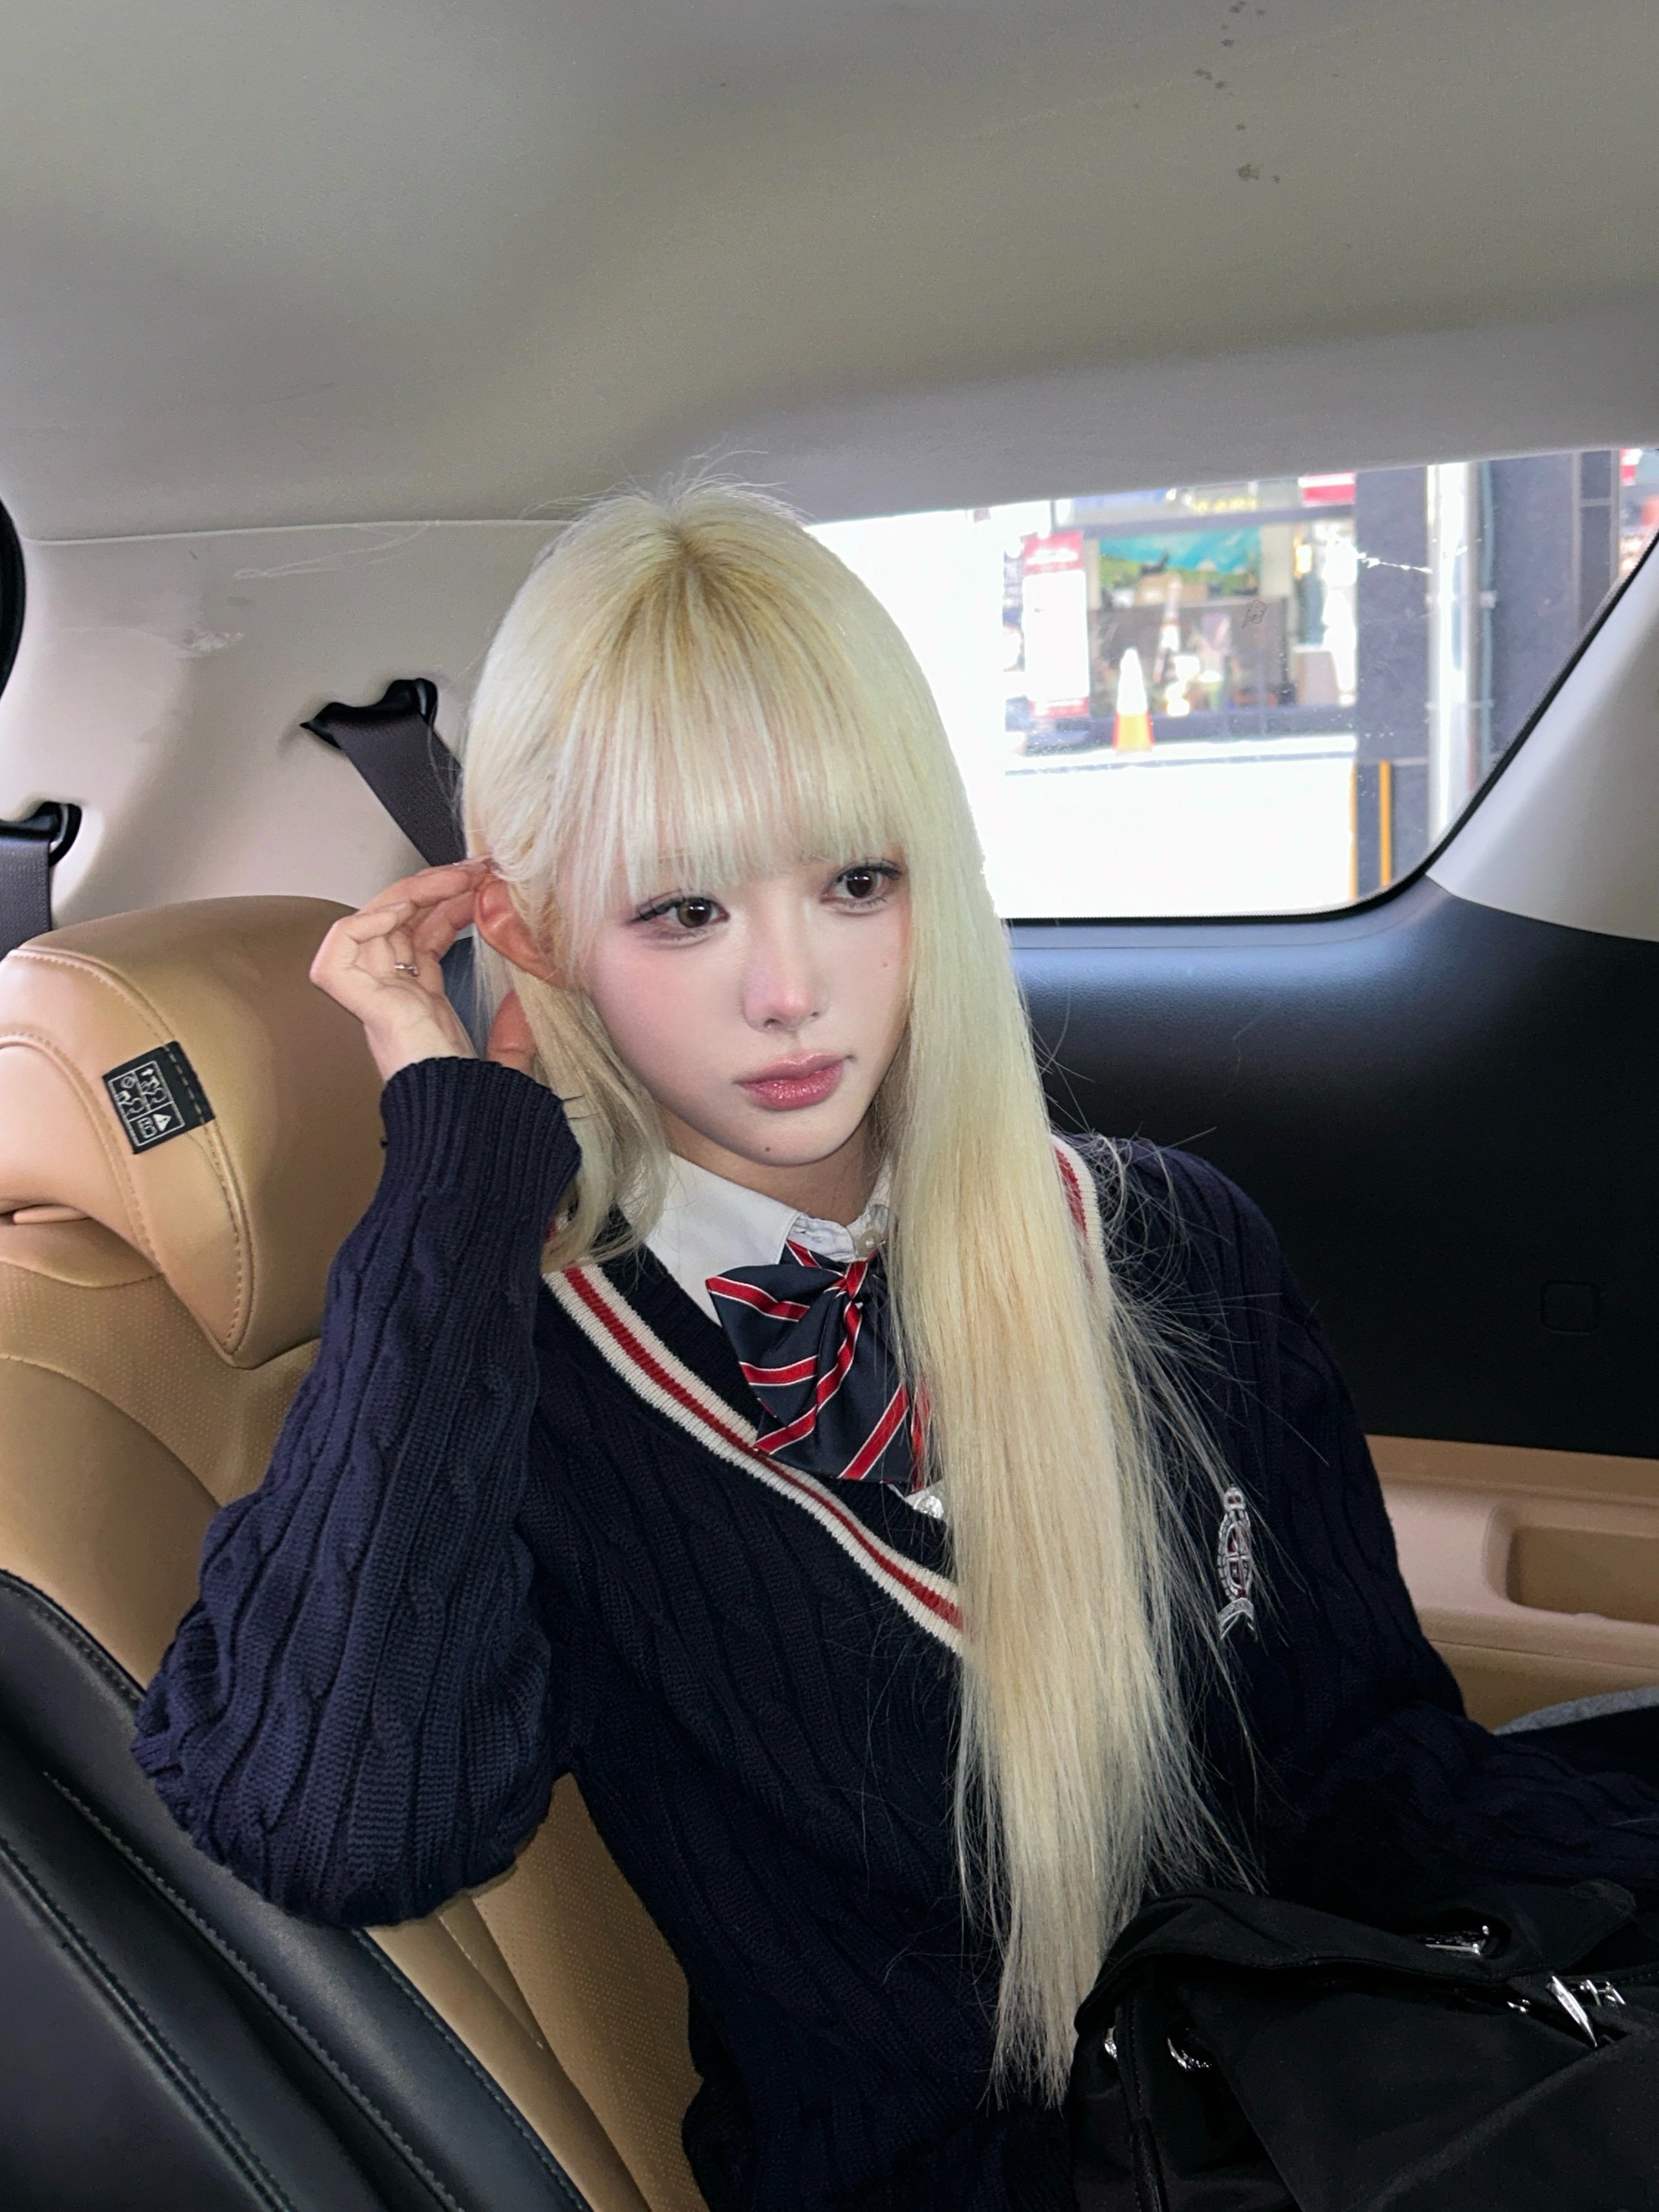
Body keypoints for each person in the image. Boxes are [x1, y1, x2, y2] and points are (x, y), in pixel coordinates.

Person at [133, 485, 1659, 2212]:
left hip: (1340, 2083)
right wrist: (456, 1152)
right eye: (684, 911)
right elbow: (342, 1814)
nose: (790, 990)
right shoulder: (516, 1387)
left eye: (857, 880)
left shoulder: (1168, 1241)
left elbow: (1366, 1765)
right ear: (536, 932)